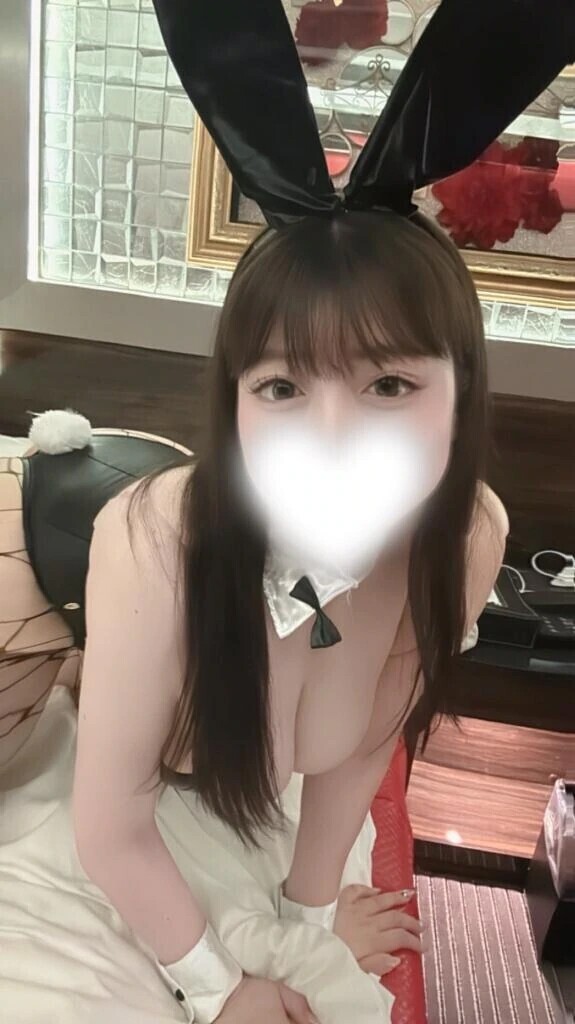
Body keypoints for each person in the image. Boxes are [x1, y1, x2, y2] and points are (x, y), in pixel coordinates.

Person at [2, 1, 574, 1022]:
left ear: (460, 392)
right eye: (281, 387)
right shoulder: (156, 539)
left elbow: (358, 748)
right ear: (234, 399)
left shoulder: (466, 536)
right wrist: (219, 986)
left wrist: (307, 923)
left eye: (389, 385)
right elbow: (110, 823)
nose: (331, 436)